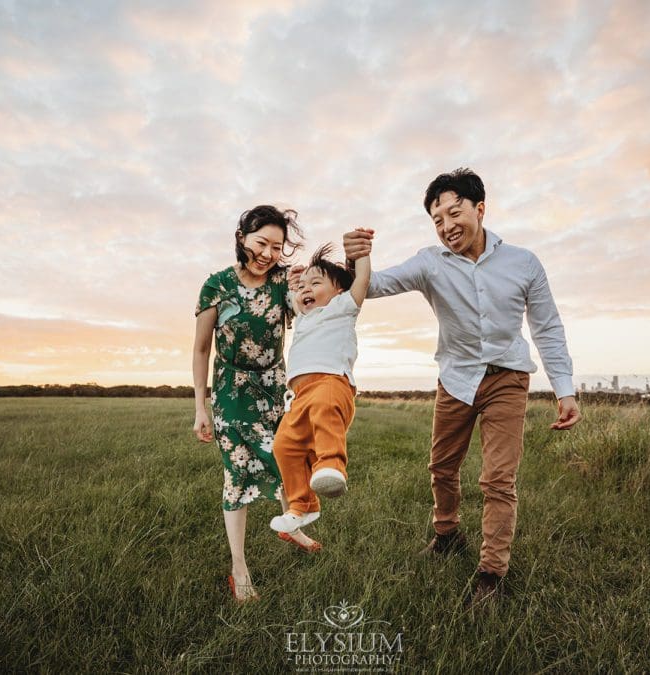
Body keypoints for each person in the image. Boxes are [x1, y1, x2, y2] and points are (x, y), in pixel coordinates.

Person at [342, 168, 581, 609]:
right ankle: (447, 535)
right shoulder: (430, 263)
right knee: (442, 467)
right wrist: (353, 259)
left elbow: (546, 326)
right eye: (437, 218)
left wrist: (564, 388)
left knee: (498, 480)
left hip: (508, 379)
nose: (447, 225)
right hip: (455, 379)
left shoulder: (524, 263)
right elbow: (373, 286)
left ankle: (491, 575)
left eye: (455, 213)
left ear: (480, 209)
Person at [192, 205, 320, 605]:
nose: (268, 253)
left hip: (275, 387)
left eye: (277, 247)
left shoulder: (283, 280)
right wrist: (201, 407)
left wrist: (305, 290)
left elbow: (306, 308)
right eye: (261, 242)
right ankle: (239, 567)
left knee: (289, 460)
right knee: (238, 474)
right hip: (231, 391)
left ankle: (291, 526)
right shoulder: (217, 285)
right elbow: (200, 350)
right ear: (242, 237)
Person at [268, 243, 371, 534]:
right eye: (304, 286)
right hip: (299, 396)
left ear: (338, 290)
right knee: (284, 446)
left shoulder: (343, 307)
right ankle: (302, 507)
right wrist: (295, 283)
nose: (307, 289)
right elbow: (294, 293)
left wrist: (362, 253)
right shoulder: (303, 315)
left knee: (325, 410)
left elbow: (361, 280)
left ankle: (331, 467)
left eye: (317, 282)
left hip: (331, 383)